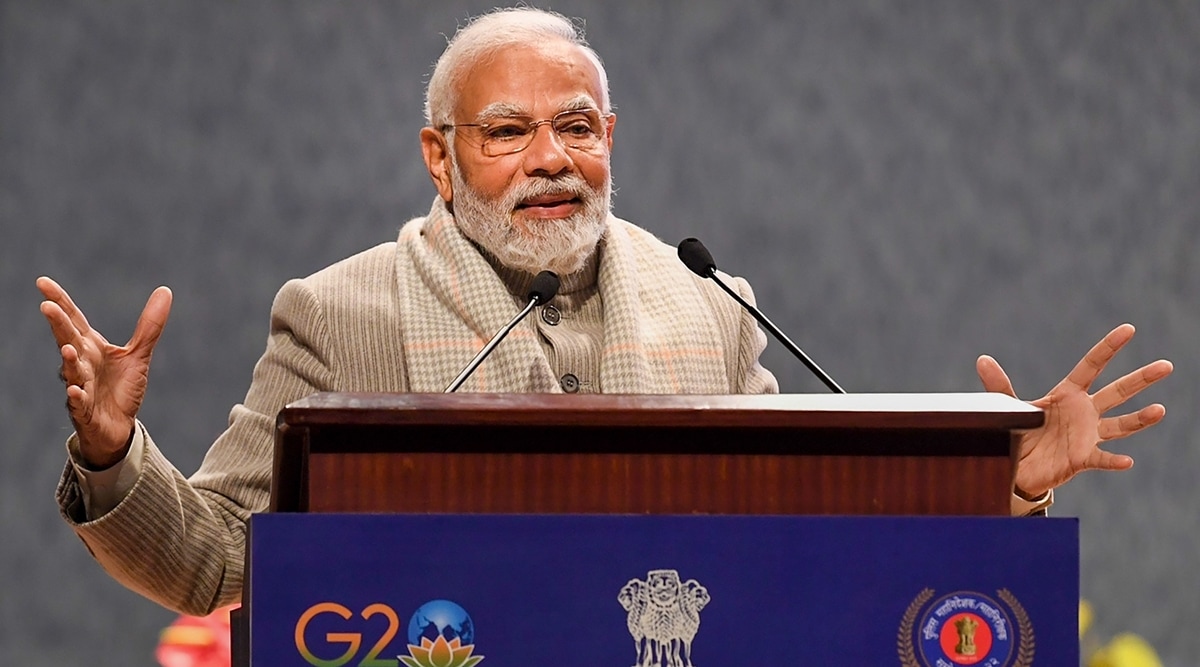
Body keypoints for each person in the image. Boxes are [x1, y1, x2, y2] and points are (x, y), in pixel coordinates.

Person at [36, 7, 1172, 617]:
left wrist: (1009, 485)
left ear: (611, 140)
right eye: (508, 132)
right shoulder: (342, 312)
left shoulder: (707, 302)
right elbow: (214, 565)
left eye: (576, 126)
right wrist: (113, 451)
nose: (552, 160)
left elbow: (814, 548)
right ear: (439, 156)